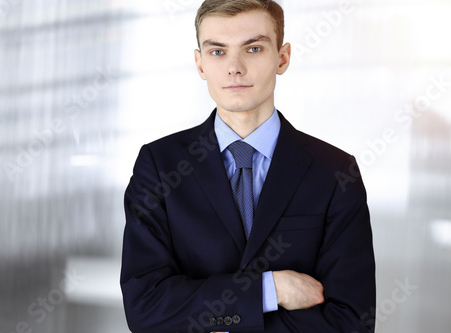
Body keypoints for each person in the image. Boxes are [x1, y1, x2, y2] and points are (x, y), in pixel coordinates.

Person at [120, 0, 376, 332]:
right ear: (200, 64)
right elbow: (145, 308)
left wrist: (205, 312)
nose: (234, 67)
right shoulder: (158, 165)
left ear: (281, 57)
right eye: (217, 52)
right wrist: (269, 290)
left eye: (253, 49)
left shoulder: (336, 172)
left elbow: (351, 322)